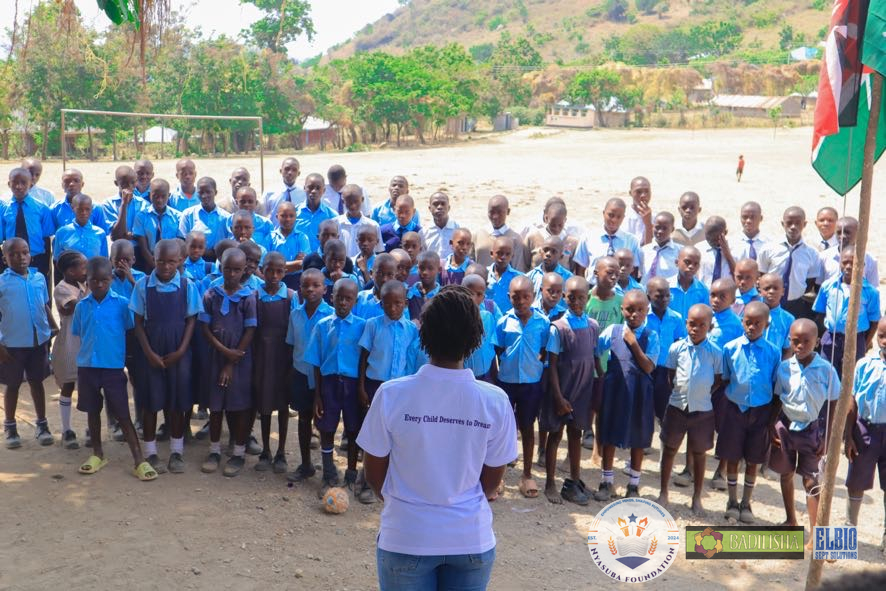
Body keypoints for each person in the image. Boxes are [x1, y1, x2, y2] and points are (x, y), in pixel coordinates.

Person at [358, 285, 516, 590]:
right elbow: (491, 482)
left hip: (406, 536)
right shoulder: (495, 401)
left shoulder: (391, 395)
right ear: (476, 339)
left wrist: (409, 506)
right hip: (470, 539)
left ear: (423, 334)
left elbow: (375, 476)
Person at [72, 256, 156, 480]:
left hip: (112, 368)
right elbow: (79, 332)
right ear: (87, 279)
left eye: (104, 280)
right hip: (88, 367)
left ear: (111, 279)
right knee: (92, 411)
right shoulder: (81, 307)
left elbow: (131, 330)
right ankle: (97, 454)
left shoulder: (122, 304)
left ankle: (139, 460)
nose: (99, 284)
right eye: (94, 280)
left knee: (123, 414)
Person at [130, 239, 202, 474]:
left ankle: (176, 452)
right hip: (151, 353)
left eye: (171, 262)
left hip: (179, 352)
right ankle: (151, 452)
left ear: (180, 261)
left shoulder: (187, 286)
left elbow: (191, 320)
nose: (166, 266)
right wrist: (148, 353)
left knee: (177, 403)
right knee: (151, 402)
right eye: (160, 261)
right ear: (153, 259)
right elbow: (138, 323)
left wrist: (181, 350)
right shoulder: (143, 286)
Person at [771, 319, 839, 547]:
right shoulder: (784, 368)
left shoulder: (827, 370)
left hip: (812, 430)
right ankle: (791, 520)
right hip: (786, 427)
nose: (800, 346)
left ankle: (816, 534)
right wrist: (772, 426)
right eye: (795, 341)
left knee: (811, 481)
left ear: (817, 342)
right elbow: (777, 399)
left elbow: (834, 404)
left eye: (806, 341)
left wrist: (827, 438)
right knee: (786, 474)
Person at [357, 280, 421, 502]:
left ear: (405, 303)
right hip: (375, 386)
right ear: (381, 303)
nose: (392, 308)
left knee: (395, 433)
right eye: (387, 303)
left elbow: (411, 360)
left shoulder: (411, 330)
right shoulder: (373, 325)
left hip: (400, 389)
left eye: (398, 303)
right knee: (372, 433)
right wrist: (361, 387)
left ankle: (390, 480)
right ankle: (365, 479)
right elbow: (363, 357)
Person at [717, 301, 781, 524]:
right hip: (735, 409)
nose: (752, 327)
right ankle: (732, 501)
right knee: (732, 457)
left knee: (753, 459)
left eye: (757, 323)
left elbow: (775, 385)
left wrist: (771, 420)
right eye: (748, 322)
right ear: (742, 321)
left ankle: (746, 503)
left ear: (766, 325)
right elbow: (726, 378)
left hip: (761, 412)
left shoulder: (773, 353)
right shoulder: (730, 348)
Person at [658, 303, 722, 514]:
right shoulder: (676, 348)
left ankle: (697, 497)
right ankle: (663, 492)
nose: (696, 329)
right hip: (677, 407)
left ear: (710, 327)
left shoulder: (715, 352)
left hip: (702, 410)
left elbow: (718, 380)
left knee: (699, 453)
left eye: (702, 325)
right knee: (669, 449)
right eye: (692, 324)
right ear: (686, 324)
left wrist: (700, 395)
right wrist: (682, 393)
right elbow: (671, 376)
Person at [543, 275, 601, 505]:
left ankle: (574, 482)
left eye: (581, 298)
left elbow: (594, 359)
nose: (576, 302)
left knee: (576, 434)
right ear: (564, 297)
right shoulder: (558, 328)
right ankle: (550, 483)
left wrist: (599, 385)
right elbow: (552, 366)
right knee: (555, 435)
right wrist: (558, 397)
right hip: (562, 391)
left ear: (588, 298)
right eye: (571, 297)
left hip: (583, 391)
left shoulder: (593, 326)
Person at [199, 248, 256, 477]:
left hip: (240, 360)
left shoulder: (248, 297)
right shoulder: (211, 295)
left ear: (244, 270)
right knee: (215, 406)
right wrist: (224, 352)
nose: (231, 274)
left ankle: (238, 453)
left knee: (238, 406)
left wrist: (232, 361)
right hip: (216, 356)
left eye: (236, 270)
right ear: (220, 268)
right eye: (227, 269)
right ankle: (214, 451)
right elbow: (205, 327)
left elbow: (250, 330)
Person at [305, 278, 366, 493]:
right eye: (339, 297)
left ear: (355, 301)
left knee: (353, 429)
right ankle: (329, 473)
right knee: (327, 428)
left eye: (348, 299)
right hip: (328, 384)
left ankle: (351, 473)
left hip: (352, 385)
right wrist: (317, 395)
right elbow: (316, 361)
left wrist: (361, 387)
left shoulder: (362, 326)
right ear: (331, 297)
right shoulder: (322, 326)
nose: (343, 302)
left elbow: (364, 360)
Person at [495, 275, 549, 499]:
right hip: (507, 382)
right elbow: (498, 349)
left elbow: (544, 350)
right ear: (509, 297)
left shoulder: (543, 323)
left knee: (527, 427)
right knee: (503, 429)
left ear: (533, 297)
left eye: (526, 297)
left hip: (531, 383)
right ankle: (497, 476)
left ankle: (526, 474)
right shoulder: (503, 322)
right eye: (516, 297)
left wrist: (534, 365)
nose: (521, 301)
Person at [0, 238, 56, 449]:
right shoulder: (2, 283)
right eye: (13, 254)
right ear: (4, 259)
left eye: (25, 252)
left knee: (37, 382)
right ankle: (10, 426)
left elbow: (44, 305)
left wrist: (53, 327)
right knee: (13, 384)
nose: (20, 257)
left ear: (30, 254)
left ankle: (42, 424)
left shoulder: (39, 278)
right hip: (12, 344)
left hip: (38, 341)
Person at [285, 268, 333, 483]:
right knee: (303, 419)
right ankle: (306, 465)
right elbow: (291, 346)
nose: (310, 289)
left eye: (316, 285)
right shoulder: (295, 315)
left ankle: (328, 469)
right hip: (301, 374)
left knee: (324, 423)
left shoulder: (331, 316)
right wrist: (289, 374)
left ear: (325, 289)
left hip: (324, 377)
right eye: (305, 286)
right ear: (299, 289)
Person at [844, 317, 886, 550]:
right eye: (881, 336)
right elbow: (852, 399)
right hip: (864, 430)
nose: (885, 341)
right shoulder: (864, 364)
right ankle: (848, 529)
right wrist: (848, 434)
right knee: (856, 481)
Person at [252, 252, 293, 474]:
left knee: (283, 405)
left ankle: (281, 451)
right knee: (264, 403)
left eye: (279, 271)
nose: (274, 276)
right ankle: (266, 450)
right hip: (262, 357)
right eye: (270, 271)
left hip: (283, 357)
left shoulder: (291, 297)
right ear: (262, 270)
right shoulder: (254, 296)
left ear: (285, 272)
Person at [813, 246, 881, 378]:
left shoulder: (871, 292)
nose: (849, 266)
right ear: (839, 263)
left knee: (851, 376)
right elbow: (820, 314)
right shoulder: (828, 286)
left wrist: (865, 343)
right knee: (827, 375)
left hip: (857, 340)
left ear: (862, 265)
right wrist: (821, 336)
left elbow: (874, 322)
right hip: (831, 338)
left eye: (854, 263)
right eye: (845, 262)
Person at [704, 278, 745, 490]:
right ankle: (690, 468)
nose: (716, 300)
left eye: (722, 296)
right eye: (713, 295)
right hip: (701, 380)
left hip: (722, 384)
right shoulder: (703, 316)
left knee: (724, 427)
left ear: (732, 300)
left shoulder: (736, 325)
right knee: (698, 424)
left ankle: (721, 469)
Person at [52, 251, 89, 450]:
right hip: (69, 344)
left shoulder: (84, 285)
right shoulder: (62, 289)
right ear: (70, 271)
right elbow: (77, 306)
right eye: (83, 267)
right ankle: (67, 430)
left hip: (85, 342)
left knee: (88, 386)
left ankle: (91, 427)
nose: (87, 270)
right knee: (68, 385)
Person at [758, 206, 821, 320]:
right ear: (783, 224)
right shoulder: (768, 249)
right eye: (789, 223)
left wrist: (796, 292)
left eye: (798, 223)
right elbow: (762, 274)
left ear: (804, 224)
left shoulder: (812, 253)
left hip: (796, 304)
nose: (793, 227)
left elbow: (810, 282)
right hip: (769, 302)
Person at [2, 168, 54, 287]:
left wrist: (46, 262)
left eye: (23, 183)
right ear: (9, 184)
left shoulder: (42, 208)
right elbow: (3, 237)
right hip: (12, 260)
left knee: (39, 288)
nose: (19, 186)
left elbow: (46, 237)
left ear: (31, 184)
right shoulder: (4, 209)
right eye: (15, 182)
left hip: (37, 258)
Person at [646, 277, 686, 423]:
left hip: (665, 369)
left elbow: (679, 343)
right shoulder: (643, 317)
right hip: (646, 368)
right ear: (648, 296)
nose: (664, 299)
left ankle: (664, 434)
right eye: (659, 296)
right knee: (645, 407)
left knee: (664, 409)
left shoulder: (676, 318)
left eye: (667, 295)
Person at [573, 198, 641, 278]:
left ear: (623, 217)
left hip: (621, 285)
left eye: (619, 217)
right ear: (604, 213)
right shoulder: (588, 237)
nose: (614, 220)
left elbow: (634, 272)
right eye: (611, 215)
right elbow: (580, 269)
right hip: (594, 284)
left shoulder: (632, 241)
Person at [132, 179, 183, 273]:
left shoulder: (178, 217)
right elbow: (143, 246)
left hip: (172, 264)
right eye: (155, 196)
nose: (159, 200)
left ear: (169, 195)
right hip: (149, 262)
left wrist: (171, 265)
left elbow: (181, 243)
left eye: (163, 196)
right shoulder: (141, 216)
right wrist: (155, 265)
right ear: (150, 195)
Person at [178, 176, 232, 261]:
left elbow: (229, 243)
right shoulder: (188, 214)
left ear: (215, 192)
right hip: (193, 261)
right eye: (201, 192)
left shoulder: (226, 217)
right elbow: (182, 240)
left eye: (208, 192)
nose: (204, 196)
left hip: (218, 260)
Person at [472, 195, 529, 272]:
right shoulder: (478, 235)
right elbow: (470, 263)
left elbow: (517, 269)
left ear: (508, 211)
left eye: (499, 212)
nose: (495, 216)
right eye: (491, 212)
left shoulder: (515, 239)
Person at [105, 165, 148, 266]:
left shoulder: (143, 204)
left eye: (133, 182)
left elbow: (145, 235)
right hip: (118, 252)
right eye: (124, 183)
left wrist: (134, 235)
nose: (129, 186)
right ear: (116, 183)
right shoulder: (109, 204)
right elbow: (116, 236)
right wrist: (124, 204)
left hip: (139, 252)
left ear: (136, 182)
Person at [462, 274, 501, 384]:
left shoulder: (487, 316)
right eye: (469, 293)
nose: (473, 298)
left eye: (479, 294)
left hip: (485, 373)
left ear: (483, 297)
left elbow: (493, 342)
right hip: (463, 374)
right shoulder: (455, 317)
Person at [819, 216, 880, 286]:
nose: (842, 236)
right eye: (839, 232)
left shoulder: (869, 260)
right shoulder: (824, 257)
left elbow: (872, 288)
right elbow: (818, 286)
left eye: (847, 233)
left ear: (858, 234)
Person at [53, 194, 109, 262]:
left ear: (91, 209)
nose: (84, 213)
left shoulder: (100, 233)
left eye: (87, 209)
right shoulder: (62, 233)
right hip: (71, 269)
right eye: (79, 209)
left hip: (93, 269)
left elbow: (104, 260)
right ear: (72, 208)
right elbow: (57, 260)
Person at [524, 201, 578, 270]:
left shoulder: (572, 242)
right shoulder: (533, 238)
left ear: (565, 220)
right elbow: (524, 264)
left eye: (560, 225)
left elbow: (573, 268)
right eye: (553, 225)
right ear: (546, 218)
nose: (556, 228)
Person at [269, 201, 310, 289]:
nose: (287, 219)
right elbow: (266, 264)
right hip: (274, 280)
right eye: (283, 216)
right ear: (277, 217)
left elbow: (302, 263)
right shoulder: (270, 238)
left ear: (296, 217)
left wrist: (276, 265)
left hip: (296, 280)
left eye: (291, 216)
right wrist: (294, 264)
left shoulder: (302, 237)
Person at [295, 173, 337, 252]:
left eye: (318, 188)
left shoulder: (331, 215)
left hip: (322, 257)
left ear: (324, 190)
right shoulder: (294, 213)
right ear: (304, 188)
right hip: (299, 257)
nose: (314, 191)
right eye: (310, 187)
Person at [337, 184, 382, 258]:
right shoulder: (336, 223)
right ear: (343, 201)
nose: (353, 206)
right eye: (349, 202)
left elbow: (379, 252)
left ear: (362, 199)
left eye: (356, 201)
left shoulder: (373, 225)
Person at [758, 273, 796, 359]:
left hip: (774, 364)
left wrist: (782, 366)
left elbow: (788, 350)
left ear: (783, 291)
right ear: (760, 291)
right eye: (767, 288)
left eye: (775, 288)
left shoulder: (788, 319)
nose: (771, 291)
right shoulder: (751, 312)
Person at [668, 245, 709, 320]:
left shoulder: (703, 291)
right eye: (687, 262)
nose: (691, 266)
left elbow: (707, 316)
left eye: (695, 264)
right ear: (677, 262)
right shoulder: (666, 287)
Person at [354, 254, 399, 320]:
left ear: (396, 277)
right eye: (380, 274)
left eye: (390, 275)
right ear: (371, 274)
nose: (384, 279)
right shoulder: (359, 299)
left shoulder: (399, 303)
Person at [262, 157, 306, 223]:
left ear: (298, 173)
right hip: (276, 229)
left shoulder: (304, 194)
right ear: (281, 171)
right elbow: (262, 215)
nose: (290, 172)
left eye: (294, 170)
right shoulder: (270, 192)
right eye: (287, 169)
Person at [640, 211, 679, 285]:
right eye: (657, 227)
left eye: (665, 228)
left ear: (672, 229)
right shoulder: (643, 250)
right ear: (653, 227)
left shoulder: (679, 252)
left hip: (669, 291)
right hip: (645, 290)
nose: (660, 231)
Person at [486, 236, 523, 313]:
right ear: (492, 254)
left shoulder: (519, 278)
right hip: (488, 318)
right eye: (499, 253)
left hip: (508, 319)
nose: (503, 257)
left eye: (507, 254)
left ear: (512, 256)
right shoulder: (484, 274)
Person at [420, 191, 460, 259]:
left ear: (448, 208)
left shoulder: (457, 230)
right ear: (430, 208)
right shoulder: (423, 233)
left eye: (443, 204)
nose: (439, 207)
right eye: (435, 204)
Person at [699, 216, 734, 287]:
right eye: (708, 237)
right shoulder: (699, 249)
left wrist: (728, 255)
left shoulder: (737, 249)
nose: (711, 241)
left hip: (728, 291)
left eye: (715, 238)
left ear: (725, 232)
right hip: (704, 291)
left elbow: (739, 275)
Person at [407, 251, 441, 320]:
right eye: (422, 268)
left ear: (439, 270)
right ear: (417, 268)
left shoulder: (442, 295)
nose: (425, 272)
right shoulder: (409, 294)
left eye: (430, 268)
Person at [624, 176, 653, 245]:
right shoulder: (623, 216)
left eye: (647, 191)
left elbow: (650, 247)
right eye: (638, 192)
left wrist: (648, 224)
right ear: (630, 193)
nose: (643, 195)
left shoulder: (657, 219)